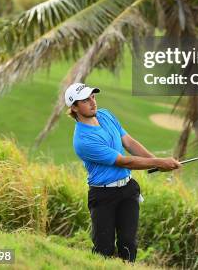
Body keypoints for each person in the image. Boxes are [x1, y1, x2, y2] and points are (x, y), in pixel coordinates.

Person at [65, 82, 181, 263]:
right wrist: (159, 162)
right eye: (85, 100)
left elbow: (129, 142)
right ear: (74, 107)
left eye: (93, 97)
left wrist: (157, 163)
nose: (92, 102)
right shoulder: (83, 140)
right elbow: (123, 161)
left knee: (128, 244)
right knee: (104, 248)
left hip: (127, 189)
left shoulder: (105, 115)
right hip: (103, 195)